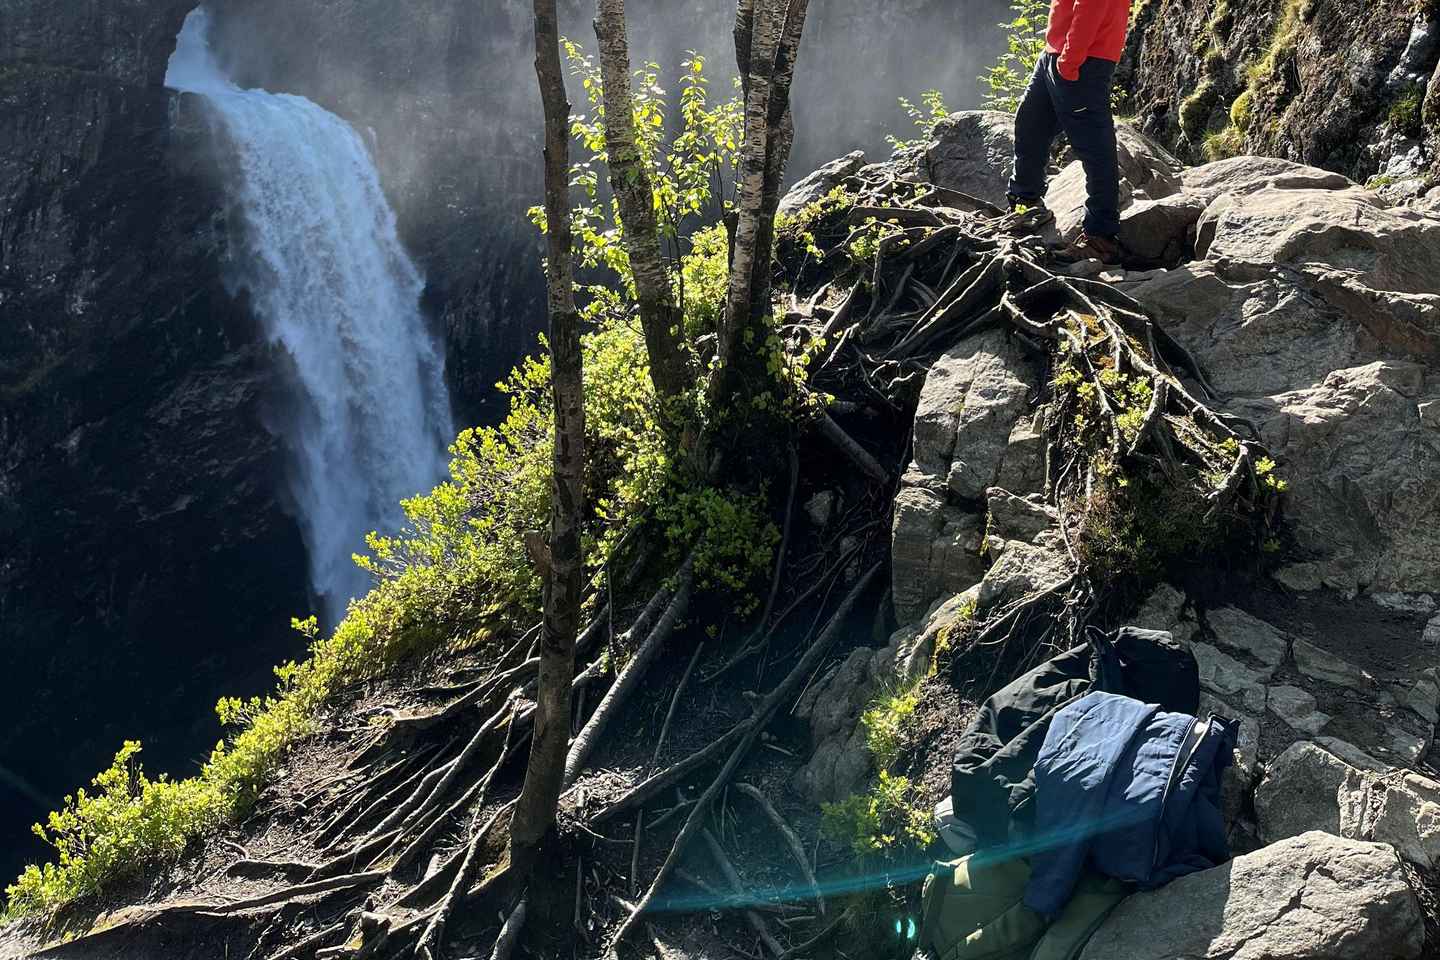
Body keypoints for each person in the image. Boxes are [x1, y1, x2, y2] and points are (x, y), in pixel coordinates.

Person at [1006, 0, 1134, 265]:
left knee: (1094, 147)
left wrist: (1070, 60)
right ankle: (1025, 203)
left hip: (1083, 58)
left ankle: (1101, 238)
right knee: (1031, 123)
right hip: (1056, 53)